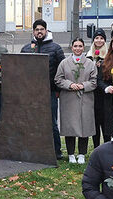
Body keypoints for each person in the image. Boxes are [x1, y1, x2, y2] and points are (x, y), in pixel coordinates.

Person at [20, 18, 66, 160]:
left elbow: (61, 70)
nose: (39, 32)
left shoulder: (56, 48)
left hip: (50, 92)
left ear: (46, 31)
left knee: (51, 122)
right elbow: (20, 69)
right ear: (33, 31)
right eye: (36, 29)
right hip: (32, 93)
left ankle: (56, 151)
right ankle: (34, 149)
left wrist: (58, 89)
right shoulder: (26, 48)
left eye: (42, 29)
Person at [55, 37, 98, 163]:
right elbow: (58, 79)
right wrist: (69, 84)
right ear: (72, 48)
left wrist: (83, 85)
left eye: (80, 46)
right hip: (69, 98)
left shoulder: (90, 64)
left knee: (84, 125)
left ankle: (82, 154)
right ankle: (71, 153)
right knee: (70, 126)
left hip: (85, 98)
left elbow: (94, 81)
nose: (78, 48)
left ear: (83, 47)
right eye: (75, 46)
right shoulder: (64, 63)